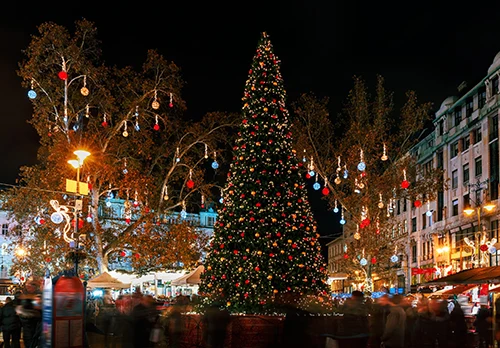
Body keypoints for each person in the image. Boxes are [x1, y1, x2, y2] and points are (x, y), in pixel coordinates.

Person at [16, 280, 42, 348]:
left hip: (31, 322)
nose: (28, 288)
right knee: (29, 339)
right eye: (27, 287)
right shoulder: (29, 297)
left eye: (29, 286)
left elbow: (37, 307)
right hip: (29, 321)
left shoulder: (36, 296)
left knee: (31, 340)